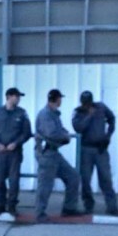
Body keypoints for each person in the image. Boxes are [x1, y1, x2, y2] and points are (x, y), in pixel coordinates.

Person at [34, 89, 83, 222]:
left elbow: (59, 130)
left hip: (54, 153)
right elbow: (52, 133)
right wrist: (65, 137)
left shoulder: (53, 114)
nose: (61, 100)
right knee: (45, 185)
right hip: (47, 154)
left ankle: (69, 208)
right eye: (60, 98)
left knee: (73, 177)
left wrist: (64, 134)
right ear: (56, 99)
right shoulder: (46, 114)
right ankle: (40, 214)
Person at [0, 87, 33, 216]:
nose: (18, 99)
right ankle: (0, 205)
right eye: (16, 96)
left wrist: (16, 143)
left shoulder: (22, 113)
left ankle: (12, 206)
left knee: (14, 180)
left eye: (19, 97)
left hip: (14, 153)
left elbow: (27, 133)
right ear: (9, 97)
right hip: (0, 152)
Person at [72, 90, 118, 215]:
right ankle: (88, 206)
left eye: (89, 103)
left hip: (101, 149)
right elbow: (78, 128)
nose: (87, 105)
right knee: (86, 179)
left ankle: (112, 206)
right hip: (86, 149)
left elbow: (112, 118)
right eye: (85, 103)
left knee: (106, 178)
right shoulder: (78, 112)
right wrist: (89, 116)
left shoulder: (101, 107)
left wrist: (108, 135)